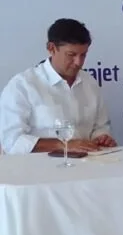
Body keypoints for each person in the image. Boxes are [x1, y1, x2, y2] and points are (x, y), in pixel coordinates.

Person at [0, 18, 116, 154]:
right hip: (40, 166)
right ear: (51, 48)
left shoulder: (90, 83)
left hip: (89, 162)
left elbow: (101, 126)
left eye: (83, 55)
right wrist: (63, 145)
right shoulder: (22, 86)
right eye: (71, 55)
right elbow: (12, 141)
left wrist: (101, 138)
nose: (78, 62)